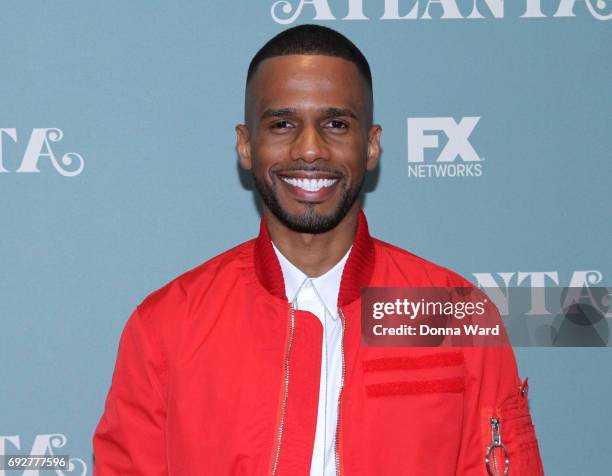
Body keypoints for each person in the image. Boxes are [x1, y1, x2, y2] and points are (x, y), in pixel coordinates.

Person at [93, 24, 544, 475]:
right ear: (246, 145)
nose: (310, 149)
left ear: (371, 145)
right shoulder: (166, 326)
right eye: (283, 124)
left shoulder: (452, 313)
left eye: (335, 124)